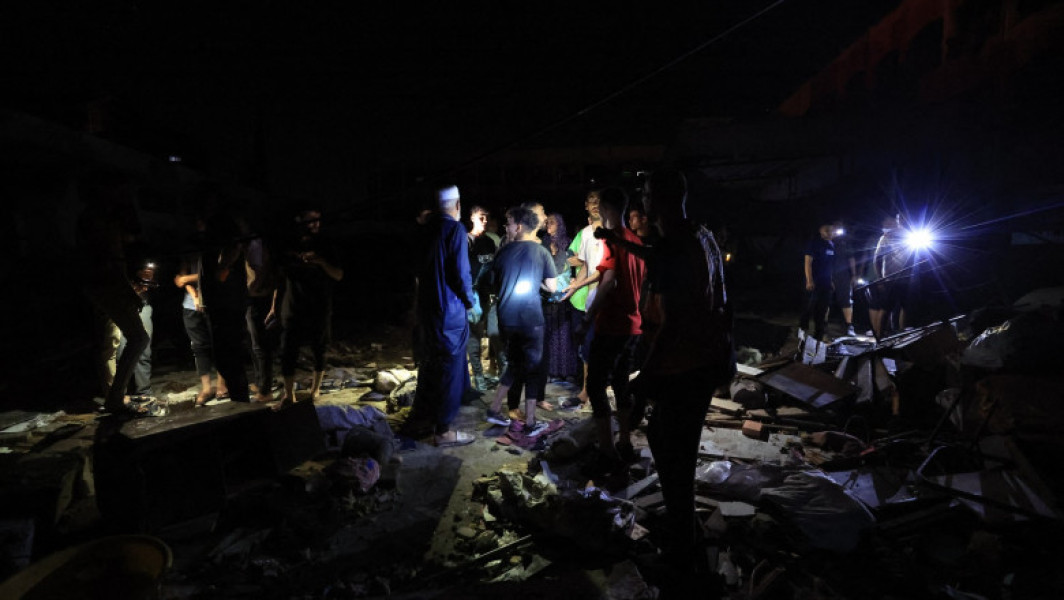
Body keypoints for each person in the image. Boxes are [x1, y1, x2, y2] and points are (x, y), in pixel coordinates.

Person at [612, 169, 735, 597]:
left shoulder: (675, 246)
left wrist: (644, 381)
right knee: (676, 451)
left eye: (646, 194)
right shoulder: (700, 235)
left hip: (682, 368)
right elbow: (718, 300)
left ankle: (682, 562)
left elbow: (674, 322)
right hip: (703, 363)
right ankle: (686, 543)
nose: (643, 202)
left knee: (672, 456)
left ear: (658, 199)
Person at [569, 187, 645, 467]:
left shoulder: (613, 241)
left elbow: (609, 281)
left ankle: (607, 451)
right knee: (622, 384)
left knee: (596, 386)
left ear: (604, 208)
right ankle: (624, 442)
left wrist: (587, 319)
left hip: (612, 325)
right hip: (633, 325)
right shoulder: (635, 241)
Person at [76, 172, 150, 417]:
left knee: (113, 341)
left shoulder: (90, 217)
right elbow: (113, 260)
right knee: (138, 338)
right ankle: (115, 398)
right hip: (106, 285)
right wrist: (129, 292)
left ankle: (115, 396)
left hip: (96, 285)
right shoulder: (103, 219)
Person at [484, 206, 558, 436]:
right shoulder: (541, 252)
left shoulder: (503, 252)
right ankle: (531, 422)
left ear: (518, 226)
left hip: (507, 318)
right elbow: (552, 287)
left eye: (508, 223)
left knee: (514, 364)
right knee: (533, 369)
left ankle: (494, 408)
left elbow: (491, 282)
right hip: (531, 319)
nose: (506, 228)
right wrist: (538, 282)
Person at [413, 185, 477, 446]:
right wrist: (470, 302)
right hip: (449, 311)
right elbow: (460, 273)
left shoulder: (424, 229)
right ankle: (443, 431)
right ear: (457, 204)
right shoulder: (454, 229)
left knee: (431, 364)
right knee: (450, 368)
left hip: (427, 309)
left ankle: (424, 418)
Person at [278, 207, 344, 405]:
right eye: (311, 220)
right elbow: (279, 277)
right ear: (299, 220)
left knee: (319, 348)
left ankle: (315, 389)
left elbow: (338, 275)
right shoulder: (289, 244)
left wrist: (321, 261)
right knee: (288, 350)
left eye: (318, 219)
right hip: (293, 304)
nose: (316, 224)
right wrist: (274, 306)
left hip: (319, 305)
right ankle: (289, 393)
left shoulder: (325, 244)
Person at [174, 215, 228, 407]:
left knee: (219, 344)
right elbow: (179, 279)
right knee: (199, 346)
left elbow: (213, 274)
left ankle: (222, 385)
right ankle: (206, 388)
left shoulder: (216, 247)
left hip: (214, 302)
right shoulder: (189, 249)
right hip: (191, 305)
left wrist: (188, 279)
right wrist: (195, 294)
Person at [564, 191, 604, 407]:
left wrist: (578, 284)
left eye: (599, 201)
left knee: (605, 349)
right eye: (592, 202)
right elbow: (586, 266)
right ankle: (586, 392)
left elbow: (604, 271)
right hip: (591, 299)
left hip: (611, 301)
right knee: (588, 348)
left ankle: (601, 393)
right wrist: (572, 288)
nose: (595, 205)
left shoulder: (614, 232)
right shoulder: (587, 234)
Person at [245, 229, 281, 403]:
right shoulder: (252, 243)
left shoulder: (255, 244)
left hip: (257, 297)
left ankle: (265, 390)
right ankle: (261, 383)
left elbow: (262, 269)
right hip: (254, 296)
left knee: (260, 346)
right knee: (255, 344)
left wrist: (251, 289)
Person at [542, 213, 578, 385]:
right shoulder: (543, 243)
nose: (548, 225)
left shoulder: (568, 243)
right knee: (549, 333)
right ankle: (550, 370)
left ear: (560, 224)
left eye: (552, 222)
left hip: (564, 293)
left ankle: (566, 370)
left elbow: (575, 268)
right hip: (546, 292)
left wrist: (572, 285)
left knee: (564, 333)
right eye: (547, 222)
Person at [466, 205, 496, 393]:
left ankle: (485, 373)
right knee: (474, 337)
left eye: (486, 218)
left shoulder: (489, 242)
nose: (485, 221)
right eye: (481, 217)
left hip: (486, 295)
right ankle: (477, 376)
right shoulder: (466, 241)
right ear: (471, 218)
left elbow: (493, 268)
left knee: (490, 333)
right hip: (470, 295)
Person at [117, 259, 156, 399]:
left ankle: (144, 391)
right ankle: (121, 393)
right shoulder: (120, 264)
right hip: (122, 307)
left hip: (142, 304)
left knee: (144, 350)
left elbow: (150, 283)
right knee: (121, 351)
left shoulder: (145, 262)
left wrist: (145, 284)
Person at [868, 213, 911, 337]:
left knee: (905, 306)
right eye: (900, 218)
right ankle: (879, 336)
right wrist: (880, 278)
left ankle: (903, 335)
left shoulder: (911, 236)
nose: (902, 221)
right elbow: (876, 259)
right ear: (897, 220)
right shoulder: (886, 237)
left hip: (906, 277)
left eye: (905, 218)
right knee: (886, 308)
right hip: (890, 278)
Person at [799, 223, 836, 341]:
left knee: (822, 308)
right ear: (821, 231)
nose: (830, 233)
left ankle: (819, 335)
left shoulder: (832, 245)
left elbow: (830, 265)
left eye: (831, 231)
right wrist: (809, 280)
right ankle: (802, 332)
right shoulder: (814, 243)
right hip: (814, 280)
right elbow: (807, 262)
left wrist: (831, 280)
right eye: (827, 230)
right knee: (808, 307)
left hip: (826, 282)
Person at [830, 220, 858, 336]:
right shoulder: (827, 241)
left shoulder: (845, 242)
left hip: (843, 275)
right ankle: (822, 325)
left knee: (846, 300)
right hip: (827, 274)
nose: (838, 230)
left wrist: (854, 275)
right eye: (835, 227)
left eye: (840, 227)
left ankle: (849, 326)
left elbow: (851, 258)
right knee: (825, 301)